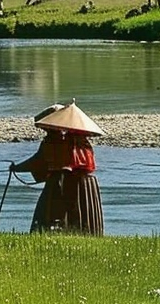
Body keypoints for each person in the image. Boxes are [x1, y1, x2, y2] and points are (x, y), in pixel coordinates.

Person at [8, 101, 104, 236]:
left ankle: (52, 232)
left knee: (52, 210)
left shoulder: (52, 142)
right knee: (81, 210)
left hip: (61, 181)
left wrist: (16, 168)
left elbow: (38, 162)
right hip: (86, 183)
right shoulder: (81, 141)